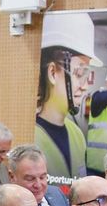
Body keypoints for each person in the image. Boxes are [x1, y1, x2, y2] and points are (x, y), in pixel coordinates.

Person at [34, 11, 96, 182]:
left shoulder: (77, 134)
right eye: (79, 73)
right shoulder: (31, 137)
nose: (84, 86)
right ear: (52, 72)